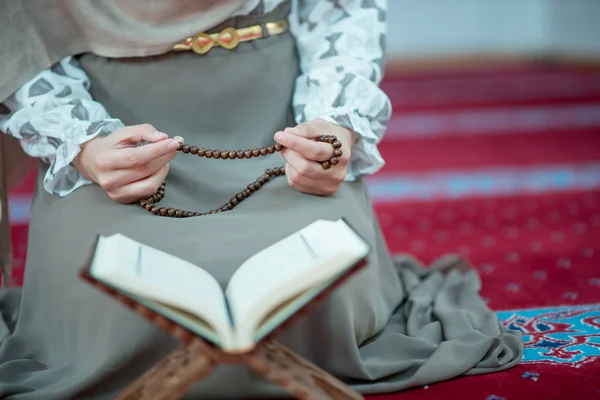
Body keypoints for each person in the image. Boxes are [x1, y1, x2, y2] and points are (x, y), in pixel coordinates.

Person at [0, 1, 523, 398]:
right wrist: (85, 147)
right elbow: (16, 32)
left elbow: (341, 13)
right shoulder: (90, 143)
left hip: (282, 135)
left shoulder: (306, 132)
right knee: (121, 311)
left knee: (318, 289)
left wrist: (335, 126)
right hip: (114, 140)